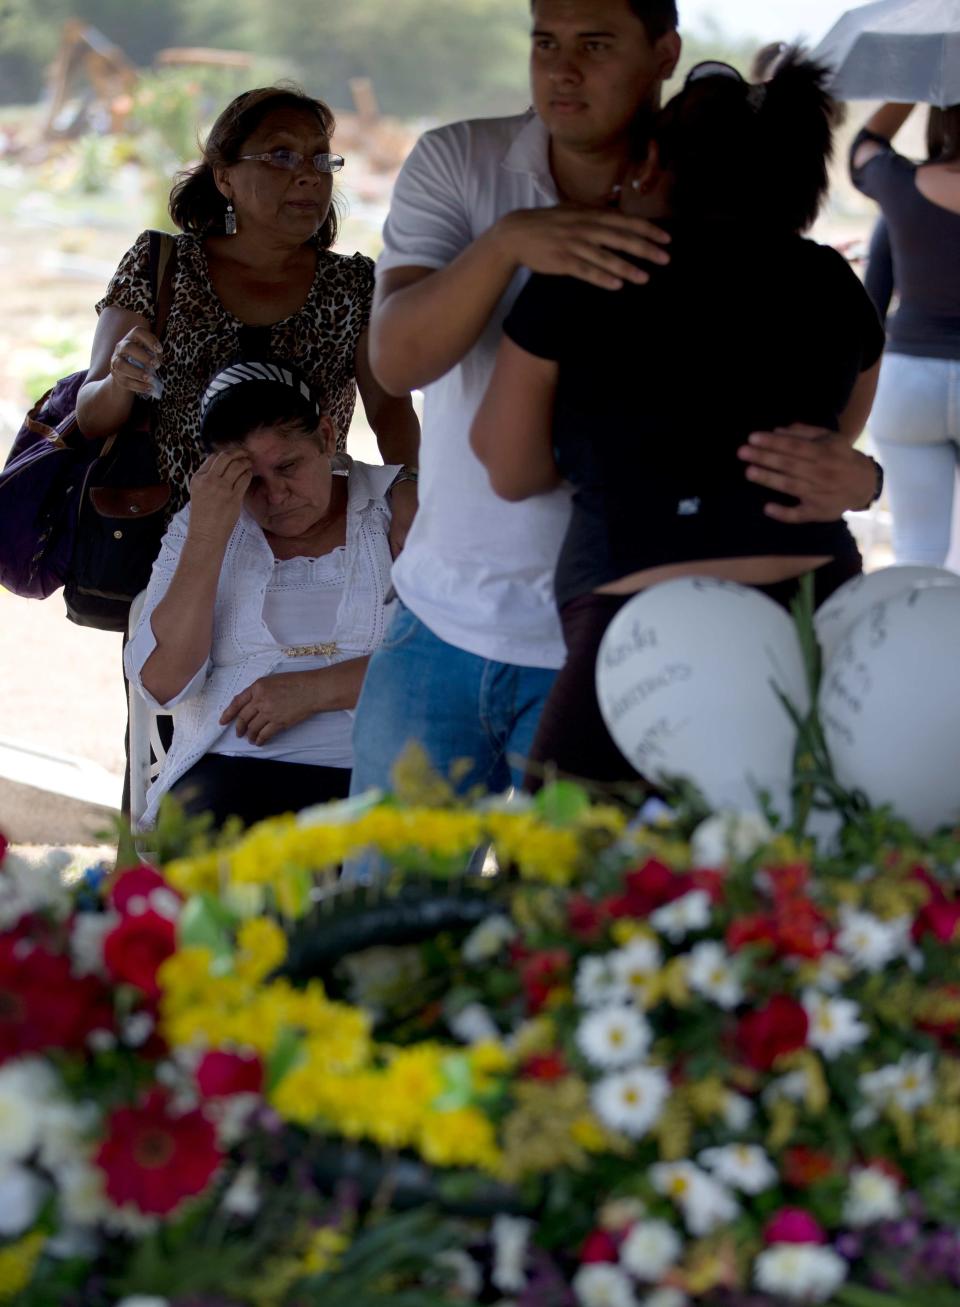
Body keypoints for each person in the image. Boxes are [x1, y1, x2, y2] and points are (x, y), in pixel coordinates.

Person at [351, 0, 883, 804]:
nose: (563, 69)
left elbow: (513, 466)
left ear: (663, 57)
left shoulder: (597, 273)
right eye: (546, 43)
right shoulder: (833, 283)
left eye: (594, 45)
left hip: (618, 623)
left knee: (566, 887)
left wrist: (859, 478)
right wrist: (509, 243)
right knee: (750, 877)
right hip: (465, 613)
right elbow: (826, 446)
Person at [77, 85, 419, 553]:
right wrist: (121, 379)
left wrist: (411, 490)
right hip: (180, 552)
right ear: (224, 178)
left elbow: (390, 411)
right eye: (281, 156)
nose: (308, 176)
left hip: (313, 547)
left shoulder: (356, 284)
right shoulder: (163, 267)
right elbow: (91, 416)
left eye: (320, 159)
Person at [125, 360, 397, 829]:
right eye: (250, 479)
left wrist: (314, 690)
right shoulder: (206, 523)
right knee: (213, 842)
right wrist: (209, 534)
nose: (275, 495)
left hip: (385, 769)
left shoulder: (394, 508)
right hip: (232, 771)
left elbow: (455, 657)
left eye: (288, 466)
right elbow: (161, 686)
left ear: (327, 437)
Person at [851, 101, 960, 566]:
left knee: (918, 550)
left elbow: (863, 148)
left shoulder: (899, 184)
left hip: (909, 379)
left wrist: (909, 83)